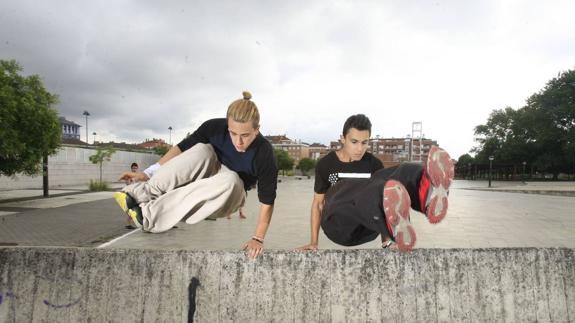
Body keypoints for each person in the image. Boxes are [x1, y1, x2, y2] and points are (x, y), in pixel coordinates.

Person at [113, 91, 277, 258]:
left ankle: (149, 216)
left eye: (245, 135)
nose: (238, 142)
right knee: (203, 150)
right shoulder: (213, 127)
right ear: (227, 125)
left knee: (230, 179)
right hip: (207, 175)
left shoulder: (264, 154)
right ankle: (140, 193)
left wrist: (258, 238)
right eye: (233, 133)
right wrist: (148, 173)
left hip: (231, 193)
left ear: (257, 130)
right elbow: (181, 148)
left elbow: (267, 202)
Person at [296, 114, 454, 252]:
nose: (360, 148)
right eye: (354, 142)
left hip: (368, 227)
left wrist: (386, 242)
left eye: (365, 142)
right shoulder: (326, 164)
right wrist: (313, 242)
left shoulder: (373, 164)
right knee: (346, 188)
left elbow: (388, 200)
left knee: (396, 174)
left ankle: (425, 191)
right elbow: (317, 204)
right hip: (338, 227)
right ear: (342, 139)